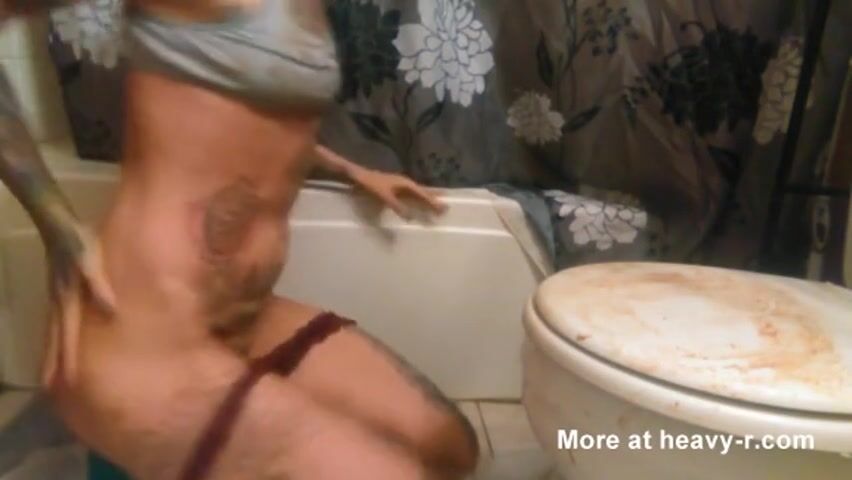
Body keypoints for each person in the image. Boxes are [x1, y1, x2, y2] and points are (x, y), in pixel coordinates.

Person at [0, 1, 479, 479]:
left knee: (447, 447)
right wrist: (57, 226)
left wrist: (352, 170)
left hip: (241, 319)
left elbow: (243, 115)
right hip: (146, 338)